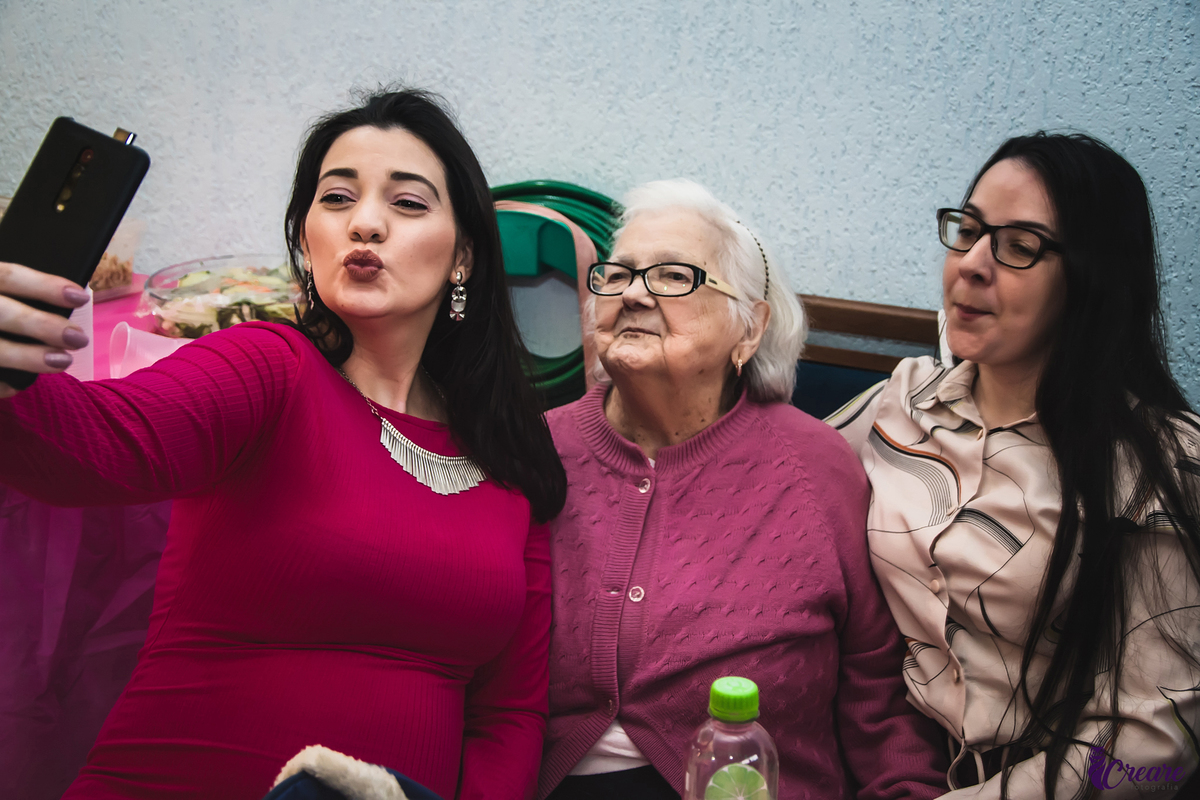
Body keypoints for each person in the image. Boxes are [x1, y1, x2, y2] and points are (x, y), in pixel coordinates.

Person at [0, 89, 566, 800]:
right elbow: (84, 448)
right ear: (306, 240)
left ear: (463, 259)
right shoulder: (269, 370)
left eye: (409, 204)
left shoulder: (515, 465)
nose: (365, 223)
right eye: (336, 199)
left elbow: (510, 716)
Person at [538, 179, 948, 800]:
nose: (633, 294)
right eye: (617, 275)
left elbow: (881, 693)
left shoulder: (816, 471)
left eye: (674, 277)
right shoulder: (534, 451)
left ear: (749, 330)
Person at [828, 133, 1200, 799]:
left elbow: (1157, 745)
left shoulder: (1158, 466)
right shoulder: (902, 400)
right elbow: (778, 475)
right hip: (879, 766)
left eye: (1019, 246)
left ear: (1092, 277)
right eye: (966, 231)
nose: (970, 264)